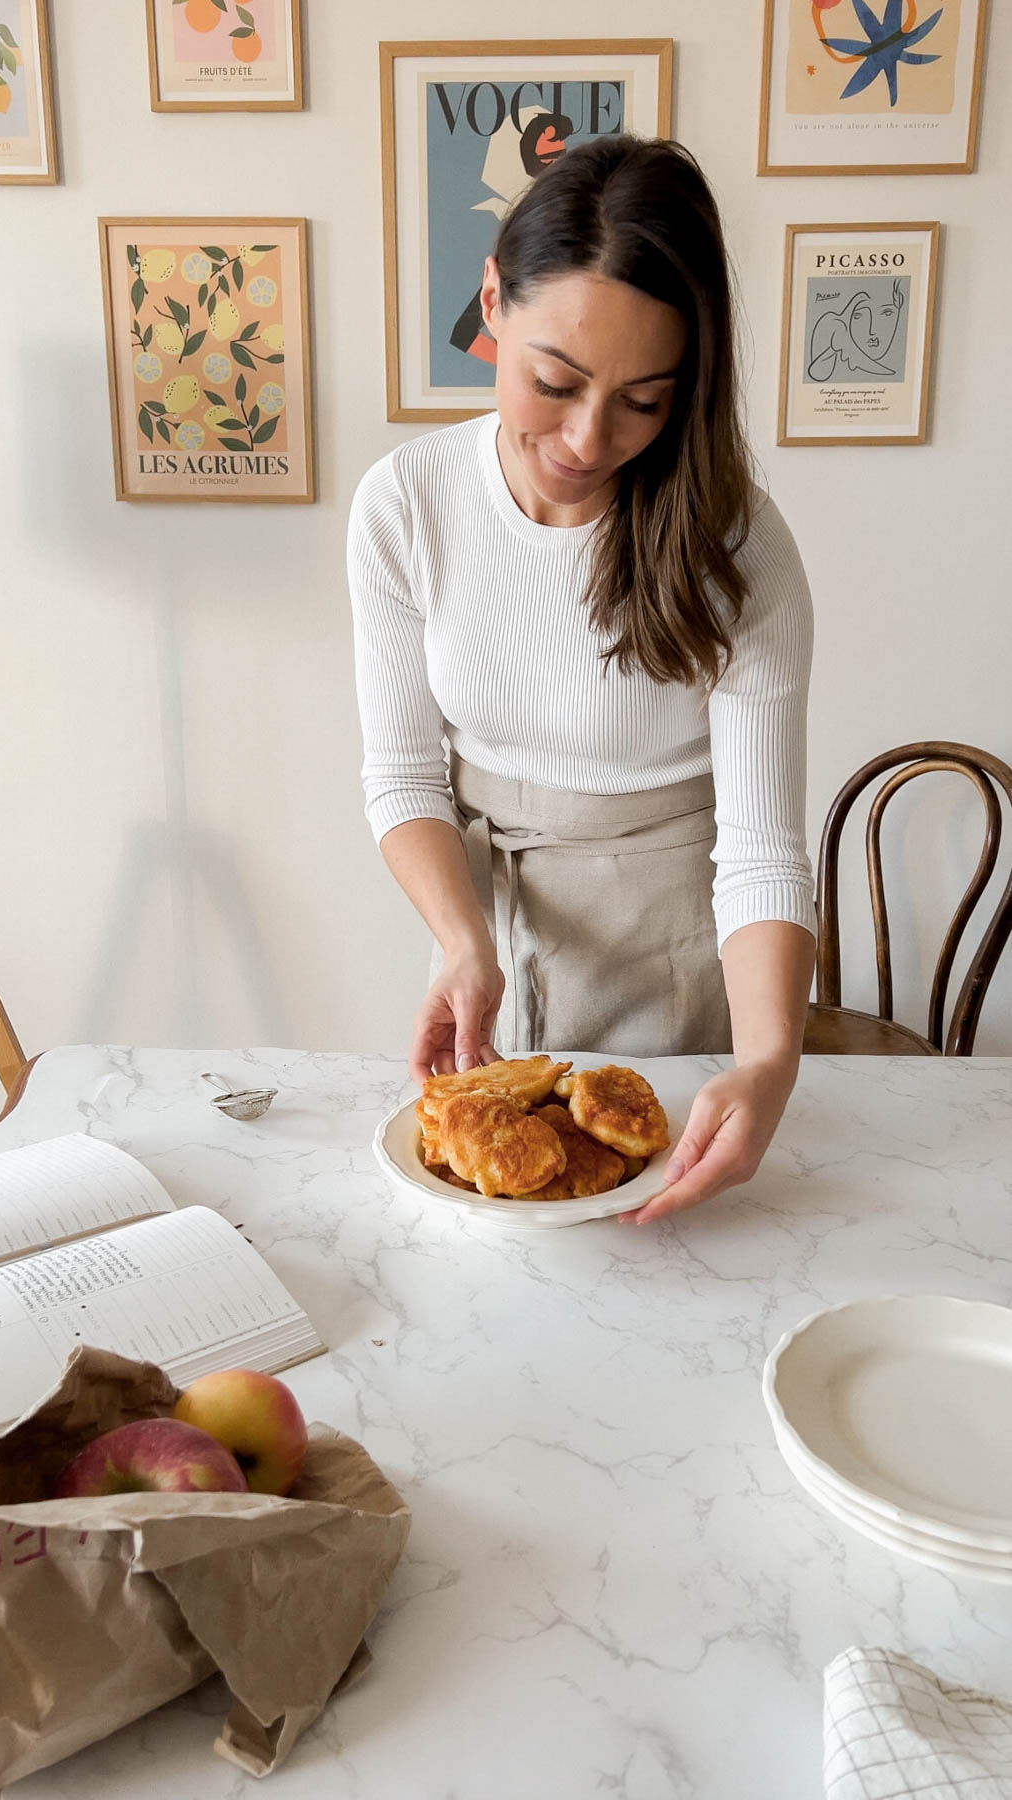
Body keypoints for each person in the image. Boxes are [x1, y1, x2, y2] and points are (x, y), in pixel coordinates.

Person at [348, 135, 817, 1224]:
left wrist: (768, 1064)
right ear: (491, 305)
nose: (585, 439)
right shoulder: (406, 504)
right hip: (492, 915)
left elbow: (758, 850)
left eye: (643, 400)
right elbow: (405, 776)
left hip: (682, 940)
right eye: (553, 382)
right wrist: (464, 942)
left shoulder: (737, 546)